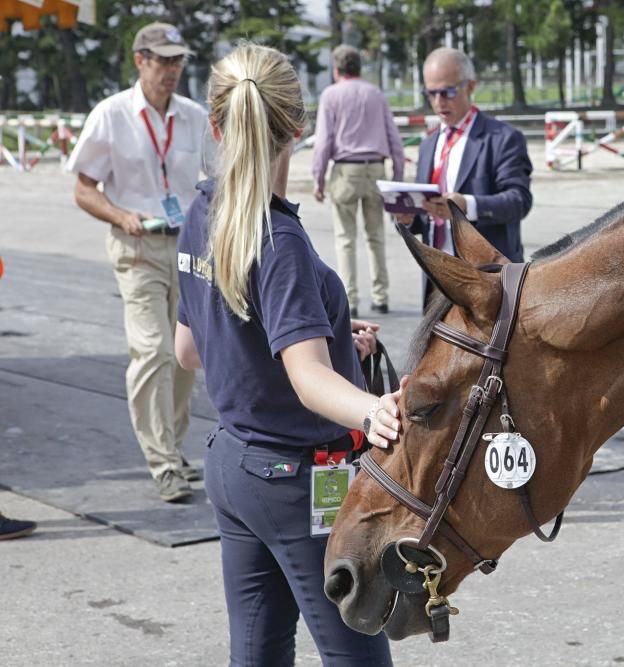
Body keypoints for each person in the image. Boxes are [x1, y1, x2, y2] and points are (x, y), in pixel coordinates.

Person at [174, 43, 401, 666]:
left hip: (232, 464)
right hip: (294, 478)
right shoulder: (280, 239)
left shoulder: (203, 212)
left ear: (216, 126)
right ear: (297, 128)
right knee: (356, 655)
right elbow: (307, 379)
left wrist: (320, 326)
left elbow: (190, 348)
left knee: (258, 650)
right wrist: (375, 409)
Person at [66, 22, 214, 503]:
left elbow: (219, 177)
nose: (172, 70)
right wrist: (120, 214)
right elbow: (84, 189)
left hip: (190, 247)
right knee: (152, 349)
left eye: (178, 61)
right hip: (137, 249)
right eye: (163, 60)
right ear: (140, 60)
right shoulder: (111, 115)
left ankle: (170, 443)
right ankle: (163, 461)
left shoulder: (194, 116)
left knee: (185, 356)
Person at [400, 47, 532, 275]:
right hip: (439, 277)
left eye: (447, 92)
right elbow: (426, 220)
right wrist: (408, 219)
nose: (439, 101)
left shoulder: (503, 138)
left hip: (488, 278)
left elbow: (518, 201)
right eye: (431, 93)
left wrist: (467, 206)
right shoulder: (428, 144)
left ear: (471, 87)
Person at [312, 44, 405, 317]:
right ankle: (381, 296)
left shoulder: (331, 95)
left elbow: (323, 142)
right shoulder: (376, 94)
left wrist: (318, 178)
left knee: (345, 238)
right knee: (376, 237)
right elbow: (394, 139)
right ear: (359, 68)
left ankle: (350, 299)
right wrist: (397, 179)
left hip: (345, 171)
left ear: (336, 69)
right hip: (375, 170)